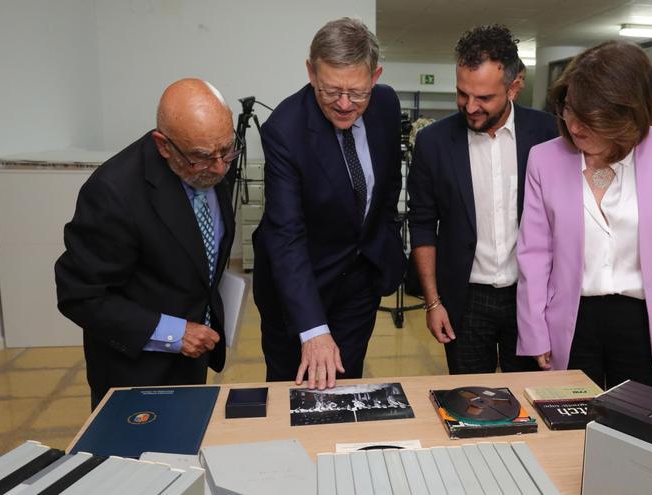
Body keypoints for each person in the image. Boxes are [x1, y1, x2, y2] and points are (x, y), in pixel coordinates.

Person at [517, 41, 652, 390]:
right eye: (570, 109)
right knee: (572, 426)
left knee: (637, 430)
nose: (574, 126)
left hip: (646, 317)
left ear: (627, 116)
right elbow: (534, 252)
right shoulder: (544, 159)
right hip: (572, 319)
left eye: (590, 119)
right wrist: (534, 330)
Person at [55, 79, 237, 408]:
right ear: (164, 145)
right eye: (203, 157)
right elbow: (79, 295)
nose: (221, 167)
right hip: (136, 370)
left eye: (227, 150)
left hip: (194, 359)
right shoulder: (113, 192)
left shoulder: (210, 163)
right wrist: (172, 333)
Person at [253, 18, 405, 390]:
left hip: (359, 280)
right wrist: (313, 329)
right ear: (310, 71)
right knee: (295, 392)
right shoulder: (284, 131)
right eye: (330, 90)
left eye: (356, 92)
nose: (343, 104)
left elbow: (387, 188)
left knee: (346, 384)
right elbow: (286, 235)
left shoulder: (385, 104)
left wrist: (380, 246)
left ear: (375, 76)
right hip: (299, 290)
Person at [407, 25, 558, 374]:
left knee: (532, 399)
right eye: (462, 94)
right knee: (470, 402)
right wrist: (433, 302)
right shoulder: (433, 143)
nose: (470, 106)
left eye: (484, 98)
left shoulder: (548, 134)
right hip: (465, 299)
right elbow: (423, 224)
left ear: (514, 87)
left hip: (531, 297)